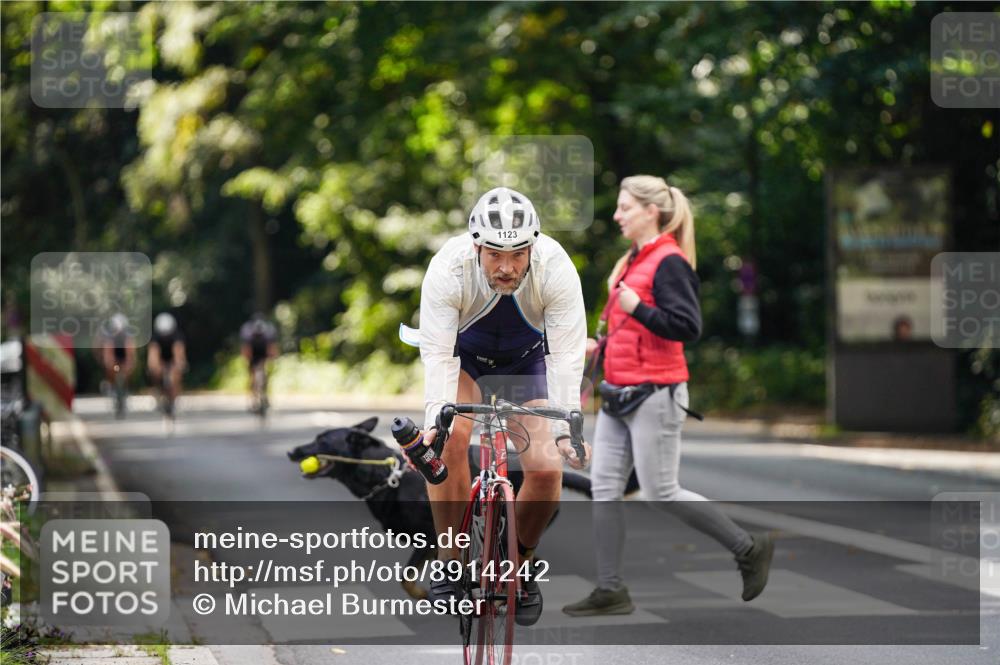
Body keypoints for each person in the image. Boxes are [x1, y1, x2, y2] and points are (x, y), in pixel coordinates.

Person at [562, 175, 774, 617]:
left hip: (657, 392)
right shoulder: (630, 262)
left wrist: (637, 307)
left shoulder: (670, 262)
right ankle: (610, 588)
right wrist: (597, 347)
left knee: (660, 490)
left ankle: (747, 547)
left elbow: (686, 326)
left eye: (624, 208)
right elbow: (629, 331)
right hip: (619, 391)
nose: (617, 215)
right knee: (604, 488)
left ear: (650, 211)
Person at [416, 186, 591, 626]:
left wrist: (567, 426)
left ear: (533, 246)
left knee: (548, 467)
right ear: (476, 245)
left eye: (517, 254)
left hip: (525, 364)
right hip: (465, 361)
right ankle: (449, 563)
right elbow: (437, 354)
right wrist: (435, 419)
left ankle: (523, 563)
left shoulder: (556, 267)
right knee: (451, 439)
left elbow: (567, 356)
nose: (507, 267)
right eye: (495, 254)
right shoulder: (448, 267)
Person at [147, 313, 187, 415]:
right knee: (155, 372)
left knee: (176, 375)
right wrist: (154, 366)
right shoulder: (155, 337)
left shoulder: (177, 336)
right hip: (160, 359)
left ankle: (175, 399)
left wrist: (178, 365)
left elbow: (179, 352)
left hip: (172, 359)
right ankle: (158, 392)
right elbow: (153, 353)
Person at [239, 313, 278, 412]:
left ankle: (265, 395)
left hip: (263, 352)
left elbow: (271, 349)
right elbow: (246, 350)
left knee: (265, 374)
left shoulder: (268, 333)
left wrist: (271, 360)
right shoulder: (248, 333)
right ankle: (252, 398)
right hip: (253, 353)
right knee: (252, 375)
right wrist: (248, 361)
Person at [101, 313, 135, 418]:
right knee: (111, 370)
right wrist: (110, 363)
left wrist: (129, 364)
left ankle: (125, 390)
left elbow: (130, 353)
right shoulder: (110, 338)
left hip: (123, 358)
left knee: (127, 372)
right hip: (114, 359)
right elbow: (108, 353)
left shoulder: (127, 337)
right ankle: (111, 386)